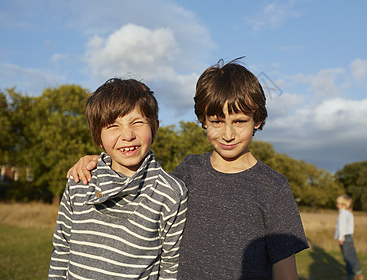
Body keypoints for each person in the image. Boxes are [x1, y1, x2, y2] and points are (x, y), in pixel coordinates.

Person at [67, 59, 309, 279]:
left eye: (239, 121)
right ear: (203, 120)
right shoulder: (189, 170)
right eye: (216, 121)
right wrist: (97, 161)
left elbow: (286, 272)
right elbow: (140, 183)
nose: (227, 133)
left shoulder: (274, 187)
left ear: (257, 120)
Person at [48, 78, 188, 279]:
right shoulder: (80, 182)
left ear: (154, 127)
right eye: (113, 126)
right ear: (98, 137)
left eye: (137, 122)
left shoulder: (171, 193)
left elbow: (170, 266)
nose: (127, 135)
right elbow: (61, 250)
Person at [335, 194, 364, 280]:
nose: (337, 205)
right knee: (352, 255)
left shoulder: (343, 214)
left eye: (339, 204)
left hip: (344, 238)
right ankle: (357, 273)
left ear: (344, 205)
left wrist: (340, 238)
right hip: (349, 237)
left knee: (347, 257)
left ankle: (351, 275)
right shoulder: (349, 213)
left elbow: (342, 227)